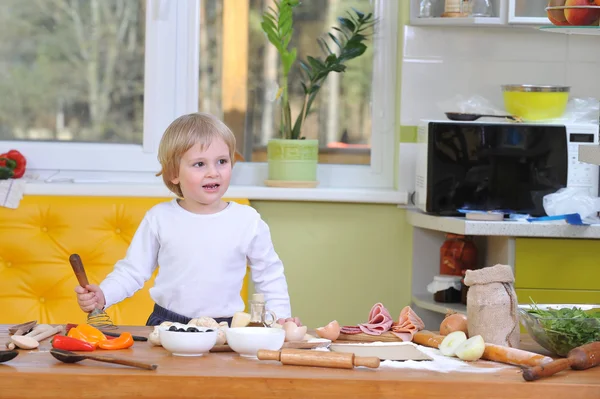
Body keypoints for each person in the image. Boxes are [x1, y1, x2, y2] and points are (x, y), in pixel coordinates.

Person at [74, 112, 300, 327]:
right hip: (166, 325)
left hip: (226, 329)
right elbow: (133, 271)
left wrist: (280, 319)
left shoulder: (247, 220)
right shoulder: (159, 218)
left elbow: (269, 275)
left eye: (222, 161)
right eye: (200, 164)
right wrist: (104, 295)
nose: (213, 172)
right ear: (174, 173)